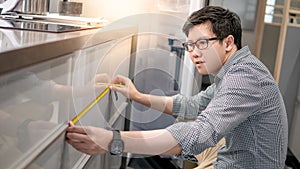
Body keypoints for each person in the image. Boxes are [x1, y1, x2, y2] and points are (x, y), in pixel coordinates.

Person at [66, 6, 288, 168]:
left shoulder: (244, 78)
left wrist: (114, 140)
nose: (193, 53)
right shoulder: (232, 72)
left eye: (202, 43)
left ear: (228, 42)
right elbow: (193, 105)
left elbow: (199, 134)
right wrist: (137, 95)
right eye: (190, 45)